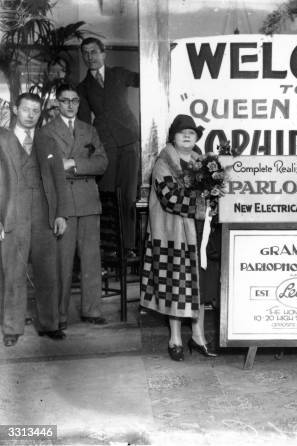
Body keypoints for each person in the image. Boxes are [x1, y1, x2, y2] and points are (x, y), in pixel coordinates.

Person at [140, 114, 217, 361]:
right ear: (173, 136)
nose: (187, 136)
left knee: (199, 286)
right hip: (173, 234)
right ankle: (174, 338)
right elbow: (171, 199)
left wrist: (212, 201)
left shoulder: (203, 163)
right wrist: (203, 203)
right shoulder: (164, 163)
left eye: (192, 133)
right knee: (176, 286)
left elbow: (214, 195)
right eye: (182, 132)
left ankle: (198, 336)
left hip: (199, 234)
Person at [1, 93, 69, 346]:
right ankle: (11, 328)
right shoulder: (2, 138)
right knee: (13, 271)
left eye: (36, 111)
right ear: (16, 109)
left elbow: (59, 180)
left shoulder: (47, 140)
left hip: (43, 213)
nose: (31, 115)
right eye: (26, 109)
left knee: (47, 271)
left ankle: (49, 324)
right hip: (11, 211)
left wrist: (60, 213)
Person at [41, 83, 109, 330]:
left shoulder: (89, 130)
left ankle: (92, 310)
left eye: (75, 100)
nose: (70, 105)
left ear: (79, 103)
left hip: (89, 202)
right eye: (65, 100)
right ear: (57, 103)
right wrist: (70, 166)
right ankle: (58, 316)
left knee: (92, 259)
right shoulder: (47, 132)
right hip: (63, 203)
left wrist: (72, 163)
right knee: (62, 260)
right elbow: (48, 167)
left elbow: (102, 163)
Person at [77, 37, 139, 252]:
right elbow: (84, 123)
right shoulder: (82, 87)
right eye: (85, 53)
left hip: (130, 139)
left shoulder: (120, 74)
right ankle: (111, 248)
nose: (89, 57)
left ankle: (129, 246)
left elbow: (147, 78)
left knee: (129, 196)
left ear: (104, 54)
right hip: (105, 145)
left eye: (94, 51)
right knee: (109, 194)